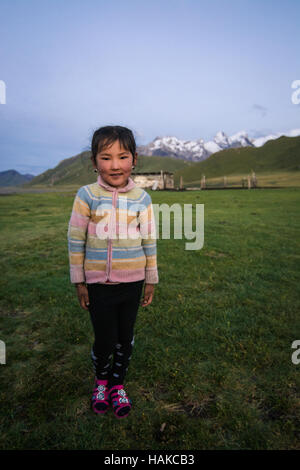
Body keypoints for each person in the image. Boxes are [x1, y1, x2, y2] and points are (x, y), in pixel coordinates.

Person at [67, 125, 159, 419]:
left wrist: (151, 279)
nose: (115, 165)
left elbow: (149, 241)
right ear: (94, 162)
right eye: (106, 157)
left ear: (134, 160)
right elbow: (75, 239)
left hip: (132, 283)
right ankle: (101, 381)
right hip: (98, 285)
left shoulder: (142, 199)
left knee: (126, 337)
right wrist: (79, 281)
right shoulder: (87, 195)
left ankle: (118, 384)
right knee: (105, 339)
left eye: (123, 156)